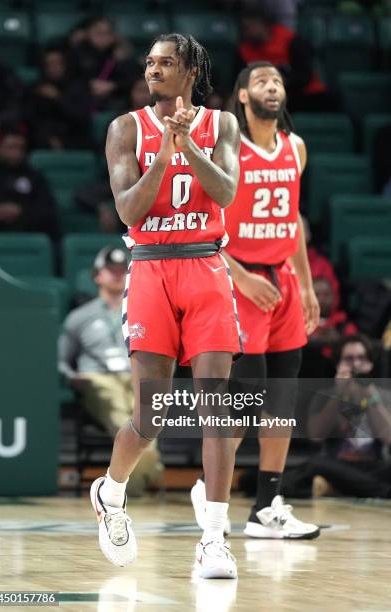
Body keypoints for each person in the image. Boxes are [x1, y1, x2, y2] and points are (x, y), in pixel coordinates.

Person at [89, 34, 241, 579]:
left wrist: (191, 147)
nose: (153, 70)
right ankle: (111, 491)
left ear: (192, 69)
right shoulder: (125, 128)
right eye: (149, 63)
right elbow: (129, 210)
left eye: (165, 63)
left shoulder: (222, 124)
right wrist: (166, 156)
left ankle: (215, 540)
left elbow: (224, 194)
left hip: (205, 266)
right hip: (152, 267)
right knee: (151, 415)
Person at [191, 61, 320, 540]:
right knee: (247, 402)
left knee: (282, 401)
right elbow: (202, 225)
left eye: (279, 81)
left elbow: (293, 222)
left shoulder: (296, 148)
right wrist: (240, 276)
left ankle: (266, 507)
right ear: (243, 96)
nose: (273, 86)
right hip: (239, 281)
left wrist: (304, 285)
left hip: (283, 281)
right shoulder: (229, 151)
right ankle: (209, 486)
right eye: (262, 81)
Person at [58, 246, 163, 496]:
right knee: (122, 420)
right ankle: (138, 484)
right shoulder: (79, 317)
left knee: (149, 421)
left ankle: (119, 491)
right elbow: (61, 359)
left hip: (135, 376)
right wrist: (72, 377)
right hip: (99, 378)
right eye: (110, 270)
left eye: (122, 270)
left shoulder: (144, 311)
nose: (117, 275)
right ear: (97, 276)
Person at [283, 335, 391, 499]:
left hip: (373, 465)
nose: (356, 364)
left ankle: (337, 488)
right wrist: (338, 395)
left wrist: (371, 397)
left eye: (361, 358)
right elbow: (316, 436)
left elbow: (389, 438)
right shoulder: (325, 395)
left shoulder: (382, 396)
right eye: (349, 359)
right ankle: (381, 492)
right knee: (316, 464)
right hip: (337, 464)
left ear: (371, 364)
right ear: (338, 364)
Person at [0, 130, 58, 238]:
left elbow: (47, 208)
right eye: (11, 147)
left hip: (26, 232)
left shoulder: (35, 176)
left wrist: (20, 211)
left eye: (21, 148)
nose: (16, 153)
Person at [26, 47, 93, 150]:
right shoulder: (36, 89)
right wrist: (49, 138)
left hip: (73, 137)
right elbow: (32, 120)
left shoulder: (78, 87)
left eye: (58, 63)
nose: (54, 68)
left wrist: (58, 98)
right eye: (50, 64)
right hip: (43, 138)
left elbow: (82, 117)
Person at [68, 17, 138, 112]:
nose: (103, 37)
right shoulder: (78, 52)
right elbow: (70, 77)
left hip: (115, 98)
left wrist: (113, 85)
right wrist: (89, 84)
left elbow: (132, 79)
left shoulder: (121, 53)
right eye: (98, 33)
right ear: (87, 34)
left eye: (107, 33)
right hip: (84, 98)